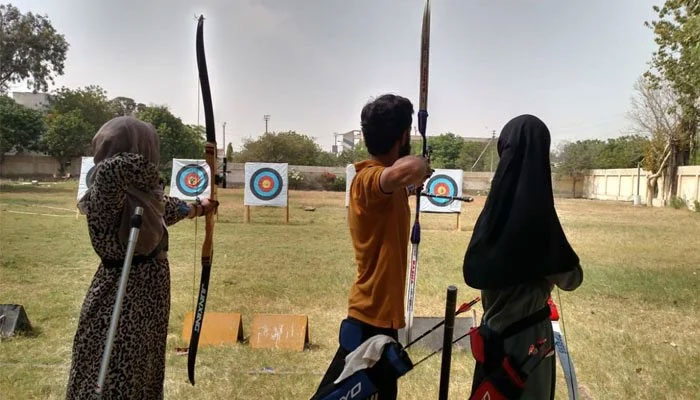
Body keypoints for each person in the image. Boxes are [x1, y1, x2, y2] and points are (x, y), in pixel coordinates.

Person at [66, 116, 217, 399]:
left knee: (144, 369)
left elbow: (166, 209)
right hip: (121, 295)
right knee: (114, 370)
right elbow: (117, 169)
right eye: (148, 145)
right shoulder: (107, 186)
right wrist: (145, 167)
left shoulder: (144, 196)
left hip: (150, 297)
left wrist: (199, 207)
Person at [312, 94, 432, 400]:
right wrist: (420, 164)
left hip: (381, 319)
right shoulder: (367, 179)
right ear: (404, 136)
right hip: (368, 319)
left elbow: (398, 184)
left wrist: (410, 185)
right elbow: (398, 174)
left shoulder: (386, 188)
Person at [463, 114, 583, 399]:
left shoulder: (492, 215)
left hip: (492, 338)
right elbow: (572, 278)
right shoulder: (540, 220)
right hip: (529, 345)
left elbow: (474, 272)